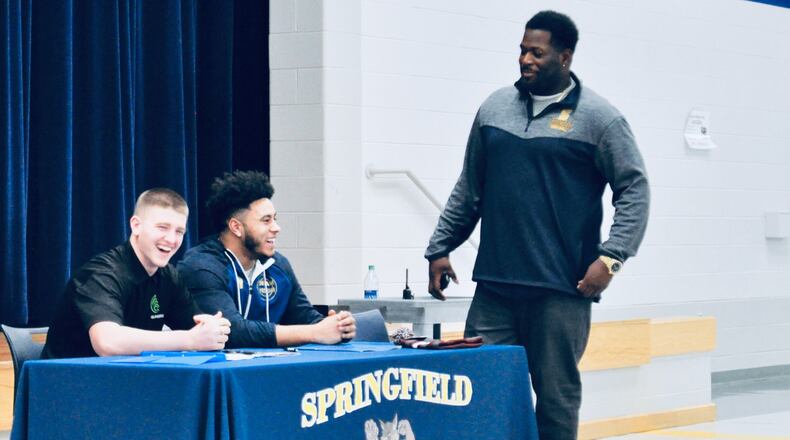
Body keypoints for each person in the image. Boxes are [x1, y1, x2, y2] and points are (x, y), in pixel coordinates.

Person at [424, 10, 649, 440]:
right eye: (522, 50)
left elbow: (634, 190)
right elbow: (470, 187)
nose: (525, 59)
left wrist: (613, 257)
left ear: (564, 58)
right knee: (478, 390)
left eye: (537, 52)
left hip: (561, 291)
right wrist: (440, 247)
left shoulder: (600, 119)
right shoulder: (494, 109)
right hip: (495, 287)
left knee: (556, 400)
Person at [43, 188, 231, 359]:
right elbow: (107, 343)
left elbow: (196, 328)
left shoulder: (168, 277)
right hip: (69, 385)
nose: (171, 239)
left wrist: (213, 329)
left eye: (179, 231)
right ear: (136, 225)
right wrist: (189, 340)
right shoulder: (101, 274)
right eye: (162, 227)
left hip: (127, 381)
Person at [178, 170, 355, 348]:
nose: (276, 228)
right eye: (266, 220)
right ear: (236, 227)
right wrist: (315, 332)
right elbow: (232, 332)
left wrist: (338, 326)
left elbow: (304, 317)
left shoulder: (278, 265)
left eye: (275, 219)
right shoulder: (201, 267)